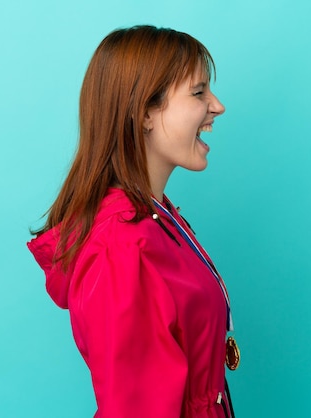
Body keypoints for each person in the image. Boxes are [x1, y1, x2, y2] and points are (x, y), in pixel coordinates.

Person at [27, 25, 238, 417]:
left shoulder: (159, 217)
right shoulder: (121, 249)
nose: (217, 106)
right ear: (144, 113)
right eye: (198, 92)